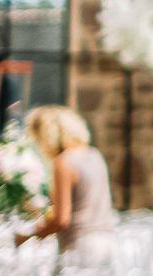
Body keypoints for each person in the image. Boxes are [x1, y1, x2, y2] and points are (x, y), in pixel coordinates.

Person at [17, 106, 117, 261]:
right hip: (108, 241)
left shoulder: (64, 162)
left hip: (80, 247)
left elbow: (61, 220)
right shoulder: (94, 154)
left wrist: (28, 236)